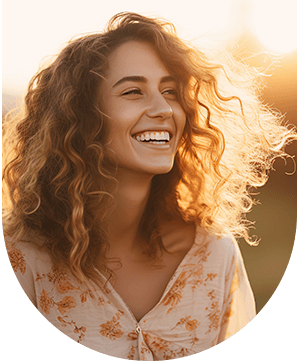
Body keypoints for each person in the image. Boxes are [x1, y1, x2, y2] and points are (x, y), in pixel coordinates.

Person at [3, 12, 296, 360]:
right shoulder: (23, 256)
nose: (163, 109)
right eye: (133, 91)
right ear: (82, 117)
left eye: (170, 91)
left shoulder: (213, 255)